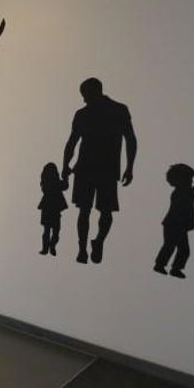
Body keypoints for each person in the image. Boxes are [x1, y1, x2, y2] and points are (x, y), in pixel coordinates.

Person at [62, 78, 137, 264]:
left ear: (93, 92)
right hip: (91, 168)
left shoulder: (117, 110)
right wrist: (65, 165)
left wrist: (130, 166)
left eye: (85, 95)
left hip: (102, 169)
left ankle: (96, 242)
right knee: (90, 210)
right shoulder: (88, 113)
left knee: (100, 211)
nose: (84, 99)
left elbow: (130, 139)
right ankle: (83, 248)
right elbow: (72, 143)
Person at [154, 164, 194, 279]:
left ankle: (167, 266)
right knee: (176, 247)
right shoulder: (182, 193)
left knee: (173, 246)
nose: (191, 181)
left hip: (175, 225)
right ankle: (168, 266)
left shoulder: (182, 192)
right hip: (175, 225)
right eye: (189, 179)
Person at [38, 162, 69, 256]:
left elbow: (65, 186)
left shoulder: (50, 184)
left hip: (51, 210)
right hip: (50, 210)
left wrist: (65, 177)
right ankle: (48, 247)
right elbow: (65, 185)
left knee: (52, 231)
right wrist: (65, 177)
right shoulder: (50, 184)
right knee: (51, 231)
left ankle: (49, 247)